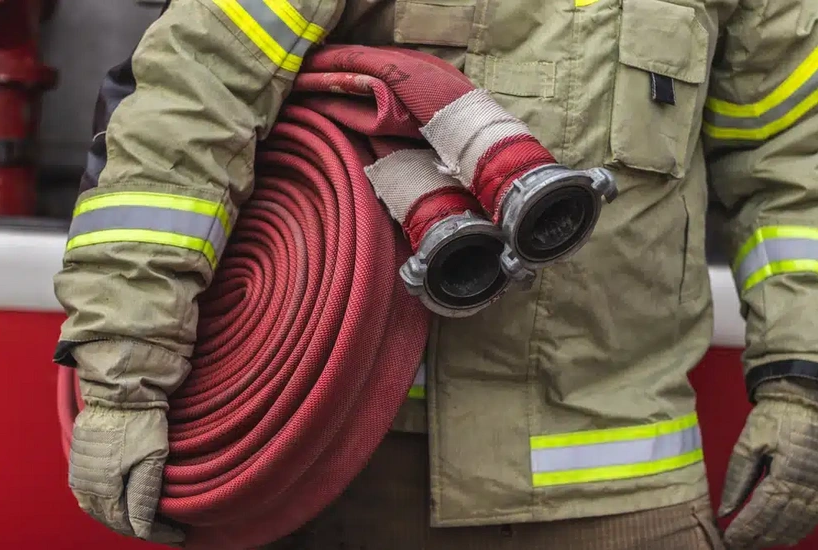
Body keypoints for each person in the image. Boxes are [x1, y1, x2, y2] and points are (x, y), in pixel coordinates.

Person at [53, 0, 818, 548]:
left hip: (622, 493)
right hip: (346, 477)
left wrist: (802, 389)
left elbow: (794, 171)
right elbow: (195, 100)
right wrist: (125, 381)